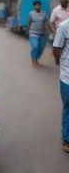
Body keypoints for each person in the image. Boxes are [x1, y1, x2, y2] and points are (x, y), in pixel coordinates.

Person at [53, 18, 69, 153]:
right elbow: (56, 48)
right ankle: (67, 139)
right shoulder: (63, 27)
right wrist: (60, 61)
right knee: (68, 108)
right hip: (67, 78)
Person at [27, 1, 49, 67]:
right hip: (33, 33)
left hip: (43, 34)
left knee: (41, 48)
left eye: (39, 5)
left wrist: (49, 30)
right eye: (36, 5)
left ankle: (36, 60)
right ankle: (33, 61)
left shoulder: (44, 14)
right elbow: (29, 22)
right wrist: (27, 30)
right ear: (34, 6)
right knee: (35, 46)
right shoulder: (31, 14)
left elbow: (47, 23)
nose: (37, 6)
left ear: (40, 6)